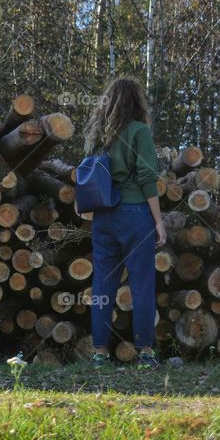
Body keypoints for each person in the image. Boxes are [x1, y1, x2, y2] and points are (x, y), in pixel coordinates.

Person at [82, 77, 166, 369]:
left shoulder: (97, 136)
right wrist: (159, 221)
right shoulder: (139, 132)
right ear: (136, 102)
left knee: (102, 285)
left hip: (103, 216)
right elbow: (146, 177)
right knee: (142, 284)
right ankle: (145, 353)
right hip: (134, 213)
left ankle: (99, 354)